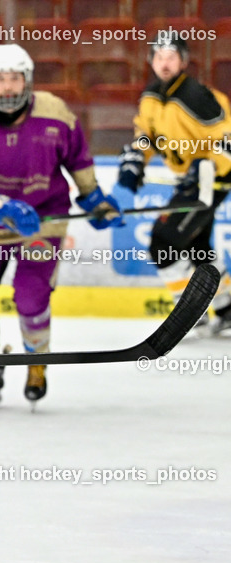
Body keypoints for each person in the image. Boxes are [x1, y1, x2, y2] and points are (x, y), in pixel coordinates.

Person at [0, 44, 123, 407]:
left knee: (30, 295)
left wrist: (94, 199)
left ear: (27, 81)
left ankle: (36, 360)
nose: (7, 88)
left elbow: (78, 161)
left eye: (14, 79)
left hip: (42, 222)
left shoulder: (56, 114)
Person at [116, 32, 231, 335]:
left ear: (182, 61)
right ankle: (227, 307)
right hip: (189, 182)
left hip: (212, 180)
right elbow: (146, 134)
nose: (164, 63)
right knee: (196, 244)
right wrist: (135, 159)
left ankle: (188, 311)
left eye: (171, 56)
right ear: (151, 61)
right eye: (159, 56)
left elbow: (226, 138)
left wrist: (206, 164)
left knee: (162, 242)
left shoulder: (197, 96)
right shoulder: (151, 96)